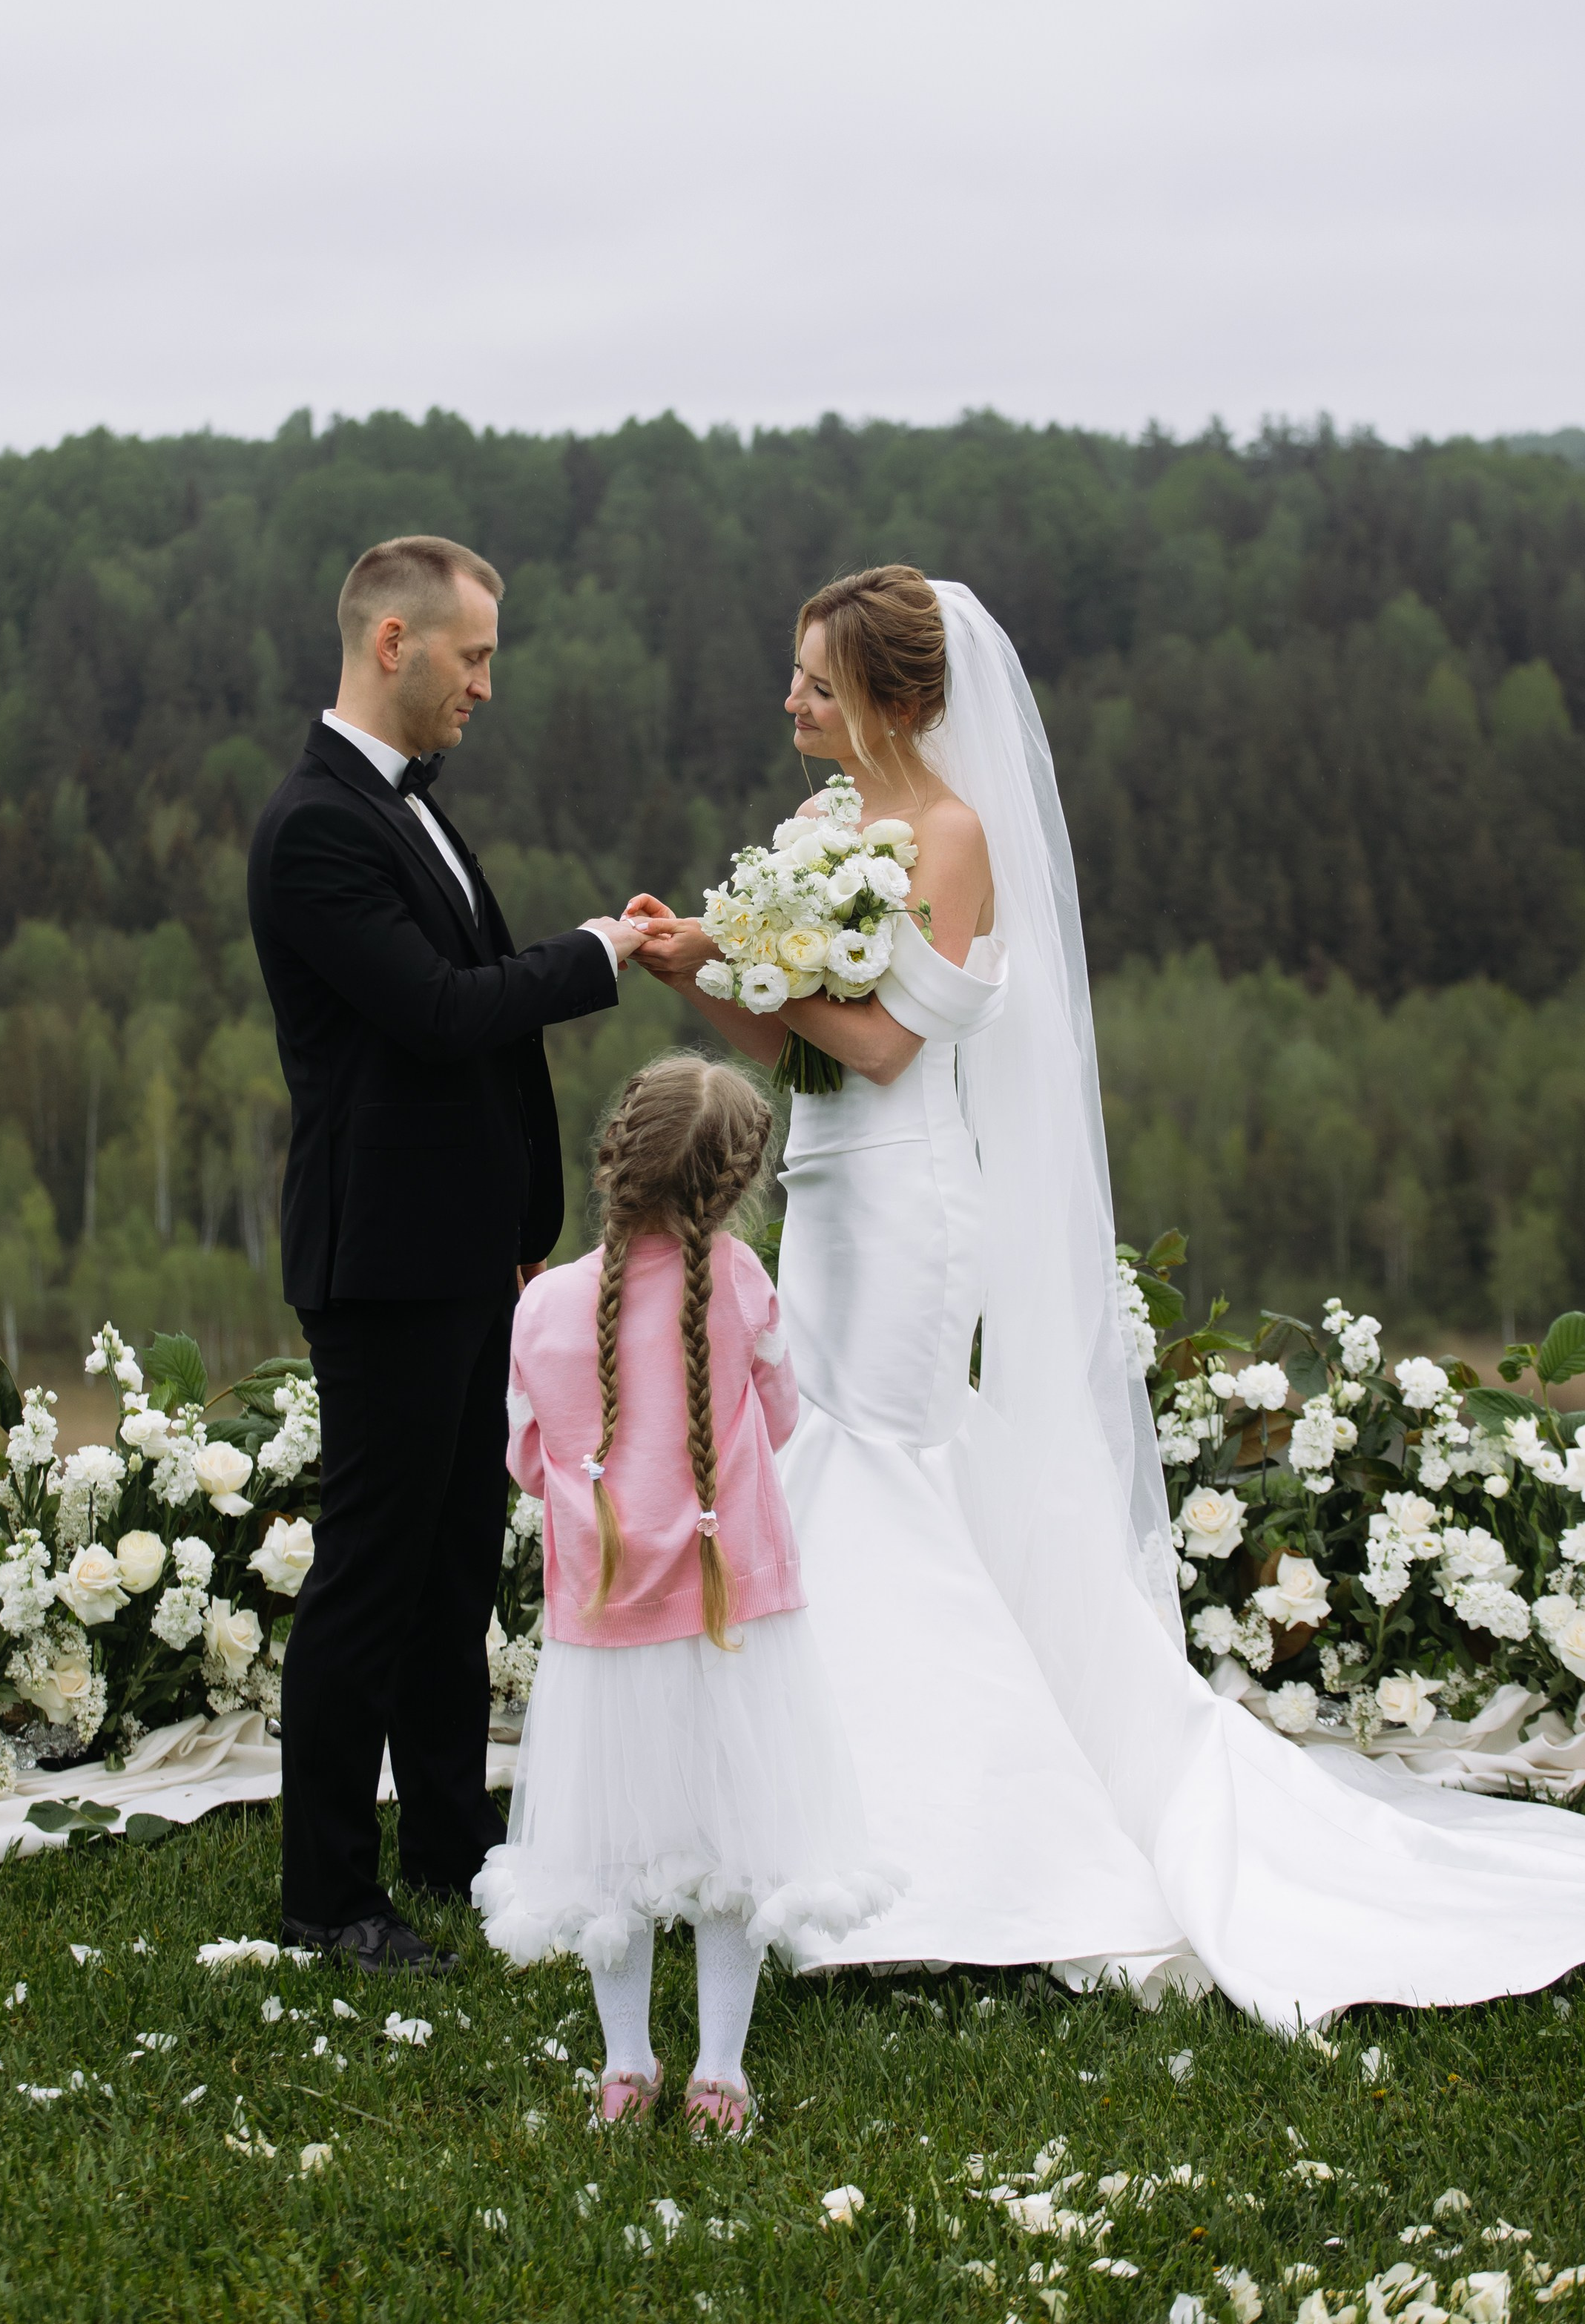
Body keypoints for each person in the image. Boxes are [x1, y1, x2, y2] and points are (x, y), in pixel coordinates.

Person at [631, 563, 1585, 2030]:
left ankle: (956, 1855)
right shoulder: (829, 829)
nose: (792, 702)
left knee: (876, 1470)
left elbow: (884, 1048)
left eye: (817, 682)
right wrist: (700, 968)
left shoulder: (950, 834)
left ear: (895, 698)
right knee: (830, 1461)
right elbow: (796, 1046)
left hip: (910, 1195)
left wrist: (735, 968)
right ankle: (825, 1825)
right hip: (824, 1188)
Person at [248, 533, 645, 1976]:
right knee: (370, 1574)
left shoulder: (405, 809)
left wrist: (512, 1237)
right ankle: (326, 1898)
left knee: (452, 1572)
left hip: (463, 1257)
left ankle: (449, 1840)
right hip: (384, 1261)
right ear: (394, 645)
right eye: (473, 657)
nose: (488, 685)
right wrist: (595, 955)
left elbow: (461, 1014)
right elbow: (434, 1010)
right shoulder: (317, 828)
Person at [472, 1054, 900, 2131]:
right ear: (731, 1185)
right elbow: (784, 1416)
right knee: (730, 1849)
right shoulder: (743, 1286)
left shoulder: (546, 1308)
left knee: (614, 1854)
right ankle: (720, 2075)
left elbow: (526, 1461)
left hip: (602, 1629)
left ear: (616, 1157)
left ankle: (625, 2069)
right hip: (732, 1619)